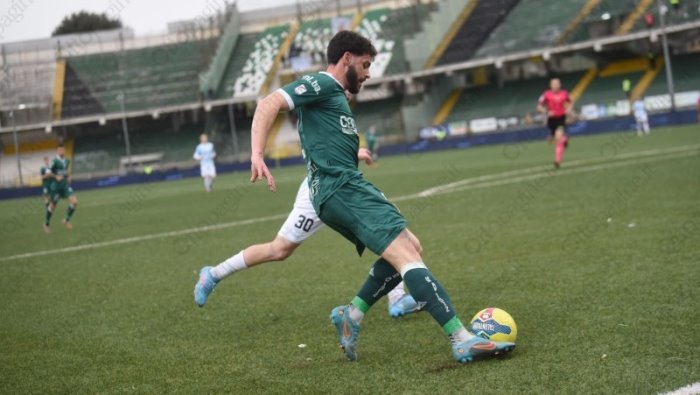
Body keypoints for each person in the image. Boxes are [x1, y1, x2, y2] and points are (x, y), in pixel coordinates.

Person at [247, 30, 514, 363]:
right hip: (340, 189)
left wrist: (352, 152)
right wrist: (258, 152)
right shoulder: (323, 83)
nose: (368, 73)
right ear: (346, 58)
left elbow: (321, 140)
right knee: (407, 256)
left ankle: (353, 314)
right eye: (365, 64)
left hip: (343, 186)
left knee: (411, 245)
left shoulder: (334, 97)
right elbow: (269, 102)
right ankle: (461, 338)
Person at [193, 148, 421, 318]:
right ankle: (213, 274)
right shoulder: (318, 98)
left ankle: (397, 298)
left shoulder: (339, 102)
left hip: (345, 189)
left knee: (389, 237)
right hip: (318, 191)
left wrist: (353, 153)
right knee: (279, 249)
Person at [538, 78, 572, 169]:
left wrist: (568, 109)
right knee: (553, 139)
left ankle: (557, 160)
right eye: (554, 84)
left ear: (560, 85)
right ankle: (565, 139)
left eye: (557, 84)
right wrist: (546, 111)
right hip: (551, 120)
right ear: (550, 85)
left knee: (558, 138)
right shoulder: (546, 94)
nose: (556, 85)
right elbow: (539, 107)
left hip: (561, 118)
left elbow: (570, 102)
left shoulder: (564, 93)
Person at [43, 145, 78, 233]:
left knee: (74, 202)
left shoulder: (67, 161)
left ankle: (66, 220)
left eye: (63, 150)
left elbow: (65, 171)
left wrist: (68, 176)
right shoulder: (54, 161)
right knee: (52, 206)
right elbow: (47, 174)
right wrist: (56, 176)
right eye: (60, 150)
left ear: (65, 151)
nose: (62, 151)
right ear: (57, 151)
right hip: (56, 188)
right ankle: (46, 224)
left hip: (65, 186)